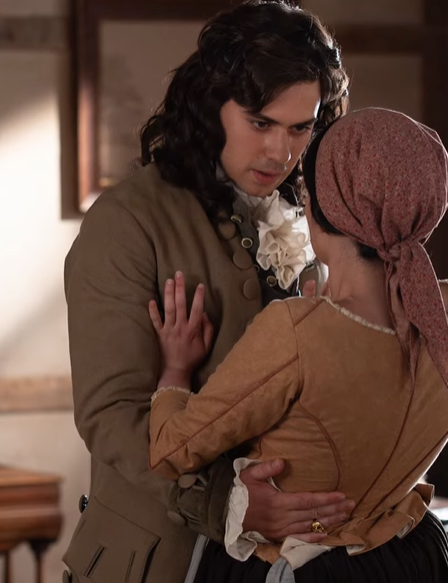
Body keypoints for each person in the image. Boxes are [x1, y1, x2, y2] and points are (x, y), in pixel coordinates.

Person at [62, 2, 352, 582]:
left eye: (301, 128)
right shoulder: (127, 220)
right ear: (211, 104)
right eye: (261, 123)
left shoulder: (314, 217)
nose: (281, 152)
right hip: (161, 556)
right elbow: (111, 415)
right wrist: (228, 500)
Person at [147, 108, 448, 583]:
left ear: (324, 207)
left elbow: (171, 450)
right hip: (412, 559)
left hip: (306, 571)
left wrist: (175, 370)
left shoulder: (297, 331)